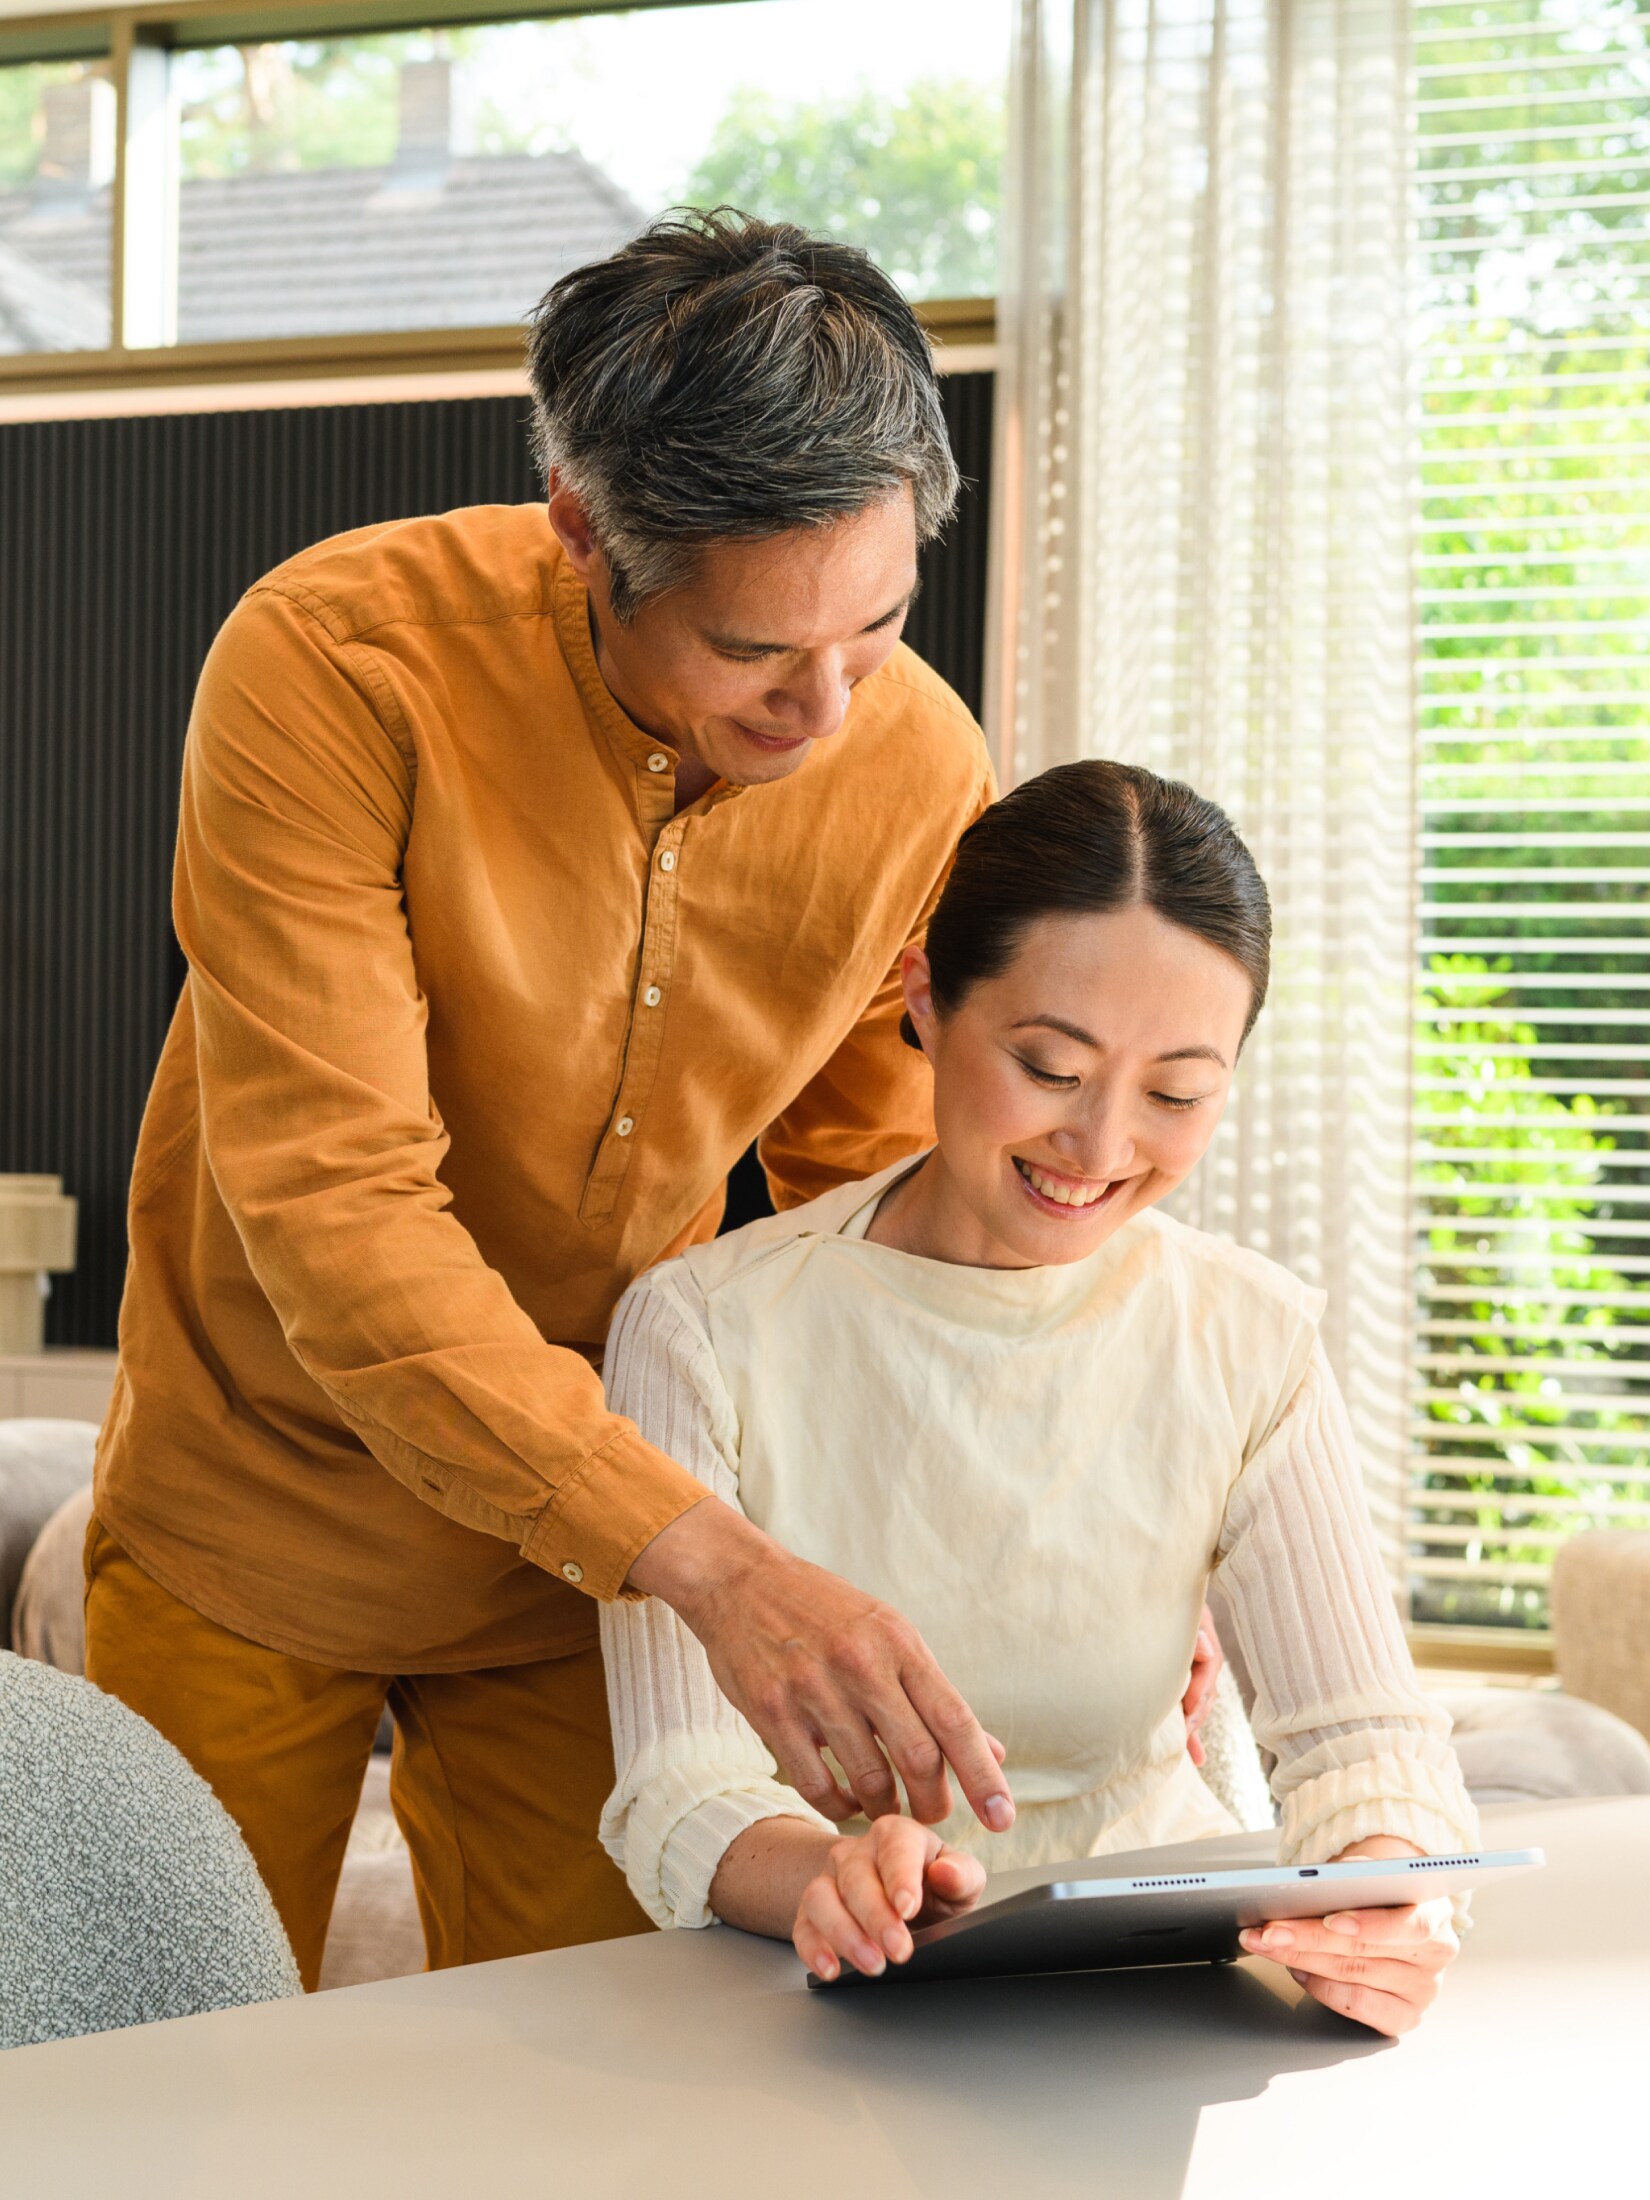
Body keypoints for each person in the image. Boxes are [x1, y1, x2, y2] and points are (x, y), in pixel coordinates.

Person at [84, 210, 1032, 1988]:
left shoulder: (917, 761)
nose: (828, 707)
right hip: (258, 1508)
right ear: (583, 530)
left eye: (880, 626)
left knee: (595, 2063)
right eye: (755, 650)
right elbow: (339, 1212)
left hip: (591, 1577)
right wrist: (713, 1563)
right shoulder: (336, 665)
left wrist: (1072, 1520)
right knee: (152, 2068)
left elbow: (884, 1221)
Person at [599, 761, 1480, 2039]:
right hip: (822, 1999)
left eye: (1176, 1093)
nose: (1101, 1145)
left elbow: (1364, 1739)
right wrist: (827, 1874)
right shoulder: (702, 1327)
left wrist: (1390, 1896)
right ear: (925, 1000)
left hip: (1168, 1989)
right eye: (1050, 1065)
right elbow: (679, 1783)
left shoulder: (1249, 1332)